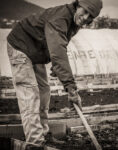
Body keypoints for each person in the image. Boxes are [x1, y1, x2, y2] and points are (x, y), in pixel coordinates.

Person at [7, 0, 103, 147]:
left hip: (35, 51)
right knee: (30, 95)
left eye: (90, 16)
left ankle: (43, 134)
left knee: (44, 92)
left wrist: (57, 66)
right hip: (20, 46)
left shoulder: (73, 22)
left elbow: (58, 45)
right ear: (78, 5)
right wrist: (71, 88)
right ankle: (35, 143)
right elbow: (58, 51)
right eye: (84, 12)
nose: (85, 18)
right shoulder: (60, 18)